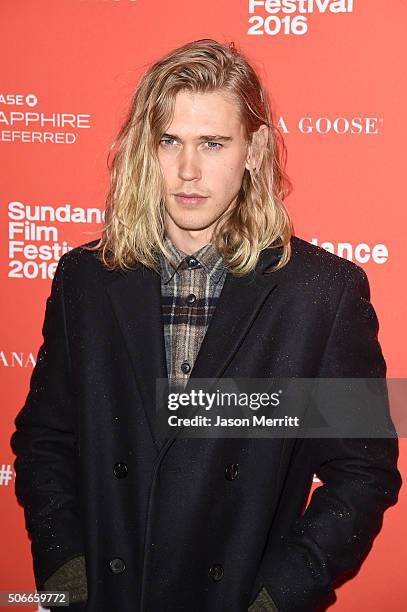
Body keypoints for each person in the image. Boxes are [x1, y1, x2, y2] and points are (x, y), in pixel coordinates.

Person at [10, 39, 401, 612]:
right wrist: (69, 578)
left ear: (254, 149)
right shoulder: (86, 280)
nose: (187, 171)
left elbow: (364, 472)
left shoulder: (322, 294)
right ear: (146, 150)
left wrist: (275, 596)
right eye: (170, 141)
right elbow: (45, 440)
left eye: (213, 144)